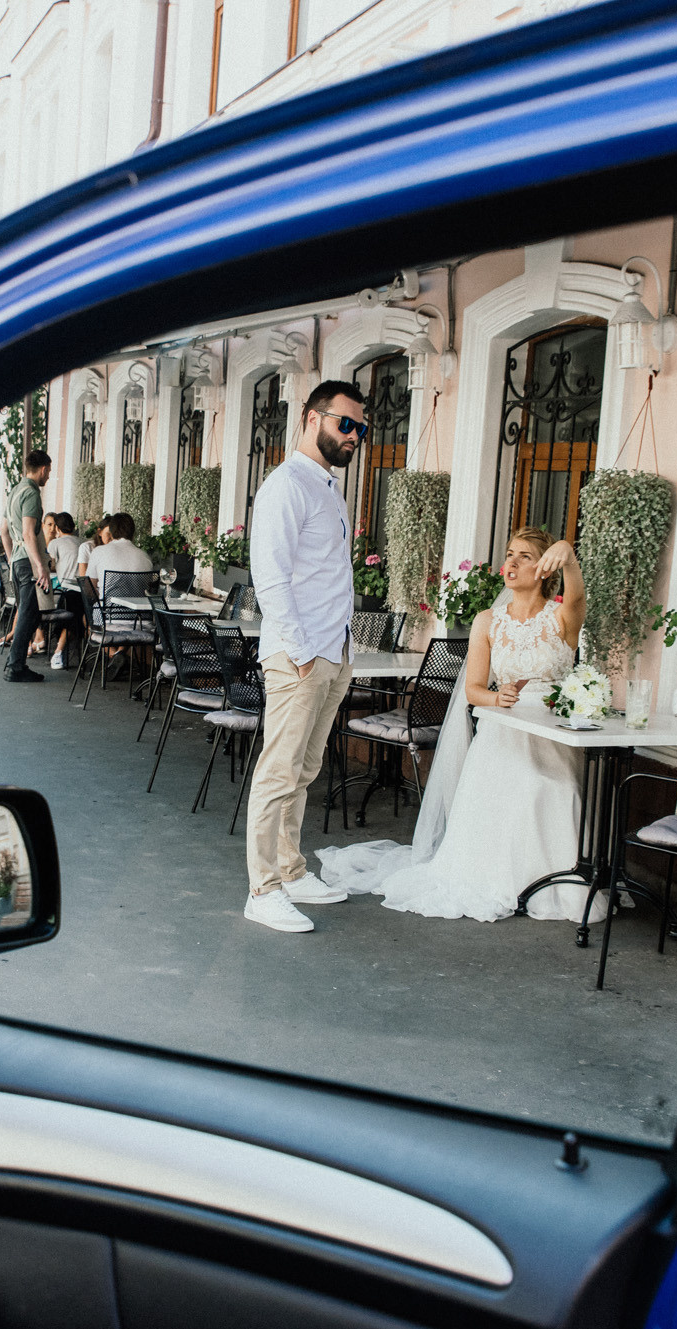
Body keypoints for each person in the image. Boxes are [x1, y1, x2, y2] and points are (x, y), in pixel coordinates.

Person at [314, 526, 598, 924]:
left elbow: (579, 594)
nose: (512, 563)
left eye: (525, 557)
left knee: (553, 789)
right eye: (510, 554)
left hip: (549, 731)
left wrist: (567, 552)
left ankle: (552, 882)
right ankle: (497, 881)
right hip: (503, 726)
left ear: (545, 570)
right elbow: (475, 690)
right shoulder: (487, 621)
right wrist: (497, 698)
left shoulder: (562, 619)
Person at [240, 380, 369, 933]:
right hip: (302, 656)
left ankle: (291, 869)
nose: (355, 437)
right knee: (278, 770)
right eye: (346, 424)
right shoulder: (286, 485)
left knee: (306, 768)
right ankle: (262, 888)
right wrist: (300, 651)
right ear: (312, 419)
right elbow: (270, 577)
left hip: (333, 649)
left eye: (361, 429)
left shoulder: (326, 488)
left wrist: (339, 651)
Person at [0, 451, 52, 683]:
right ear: (42, 469)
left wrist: (13, 558)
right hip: (29, 560)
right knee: (29, 615)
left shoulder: (14, 492)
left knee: (28, 613)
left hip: (19, 560)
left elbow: (4, 531)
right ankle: (15, 666)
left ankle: (16, 662)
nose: (48, 476)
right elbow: (29, 533)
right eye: (49, 471)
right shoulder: (31, 493)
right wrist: (39, 566)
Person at [44, 512, 83, 670]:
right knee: (76, 614)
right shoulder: (83, 542)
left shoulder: (56, 543)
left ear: (58, 528)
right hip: (84, 590)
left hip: (66, 589)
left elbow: (49, 565)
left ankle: (58, 651)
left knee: (70, 612)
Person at [83, 511, 154, 591]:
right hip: (138, 603)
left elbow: (89, 588)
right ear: (133, 533)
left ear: (111, 532)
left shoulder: (99, 551)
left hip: (107, 603)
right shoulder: (144, 556)